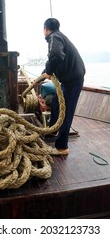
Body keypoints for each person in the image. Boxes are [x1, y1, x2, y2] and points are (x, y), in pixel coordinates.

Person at [42, 18, 86, 155]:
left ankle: (62, 147)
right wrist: (45, 72)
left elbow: (56, 55)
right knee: (56, 103)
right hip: (68, 80)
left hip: (74, 81)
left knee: (66, 112)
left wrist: (49, 71)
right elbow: (57, 58)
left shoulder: (54, 37)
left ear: (46, 29)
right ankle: (52, 130)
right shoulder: (60, 37)